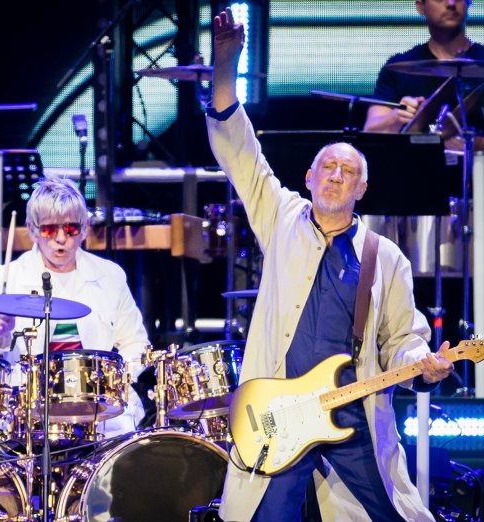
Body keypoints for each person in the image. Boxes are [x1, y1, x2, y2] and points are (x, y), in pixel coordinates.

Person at [207, 8, 454, 522]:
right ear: (309, 176)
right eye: (329, 166)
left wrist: (425, 363)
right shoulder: (280, 215)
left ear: (363, 189)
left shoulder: (385, 258)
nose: (337, 176)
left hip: (352, 418)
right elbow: (240, 152)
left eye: (349, 170)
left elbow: (401, 340)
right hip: (279, 418)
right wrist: (226, 66)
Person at [0, 174, 150, 440]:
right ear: (32, 229)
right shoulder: (5, 278)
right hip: (27, 405)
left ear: (85, 228)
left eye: (70, 228)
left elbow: (136, 344)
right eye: (49, 229)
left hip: (98, 404)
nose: (61, 238)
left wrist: (115, 383)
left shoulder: (110, 276)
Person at [364, 0, 484, 146]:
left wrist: (474, 144)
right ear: (421, 7)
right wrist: (397, 117)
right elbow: (370, 130)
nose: (451, 3)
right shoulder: (398, 67)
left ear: (469, 3)